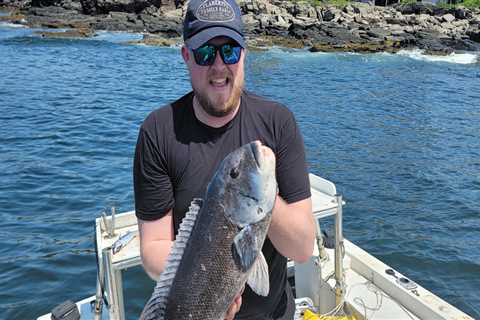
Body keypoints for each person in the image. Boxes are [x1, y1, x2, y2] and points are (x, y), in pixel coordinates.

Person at [133, 0, 316, 318]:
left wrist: (260, 200)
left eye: (229, 51)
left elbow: (301, 249)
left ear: (244, 54)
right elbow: (153, 248)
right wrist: (210, 286)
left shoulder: (278, 121)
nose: (219, 66)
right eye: (205, 53)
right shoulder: (158, 132)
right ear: (186, 56)